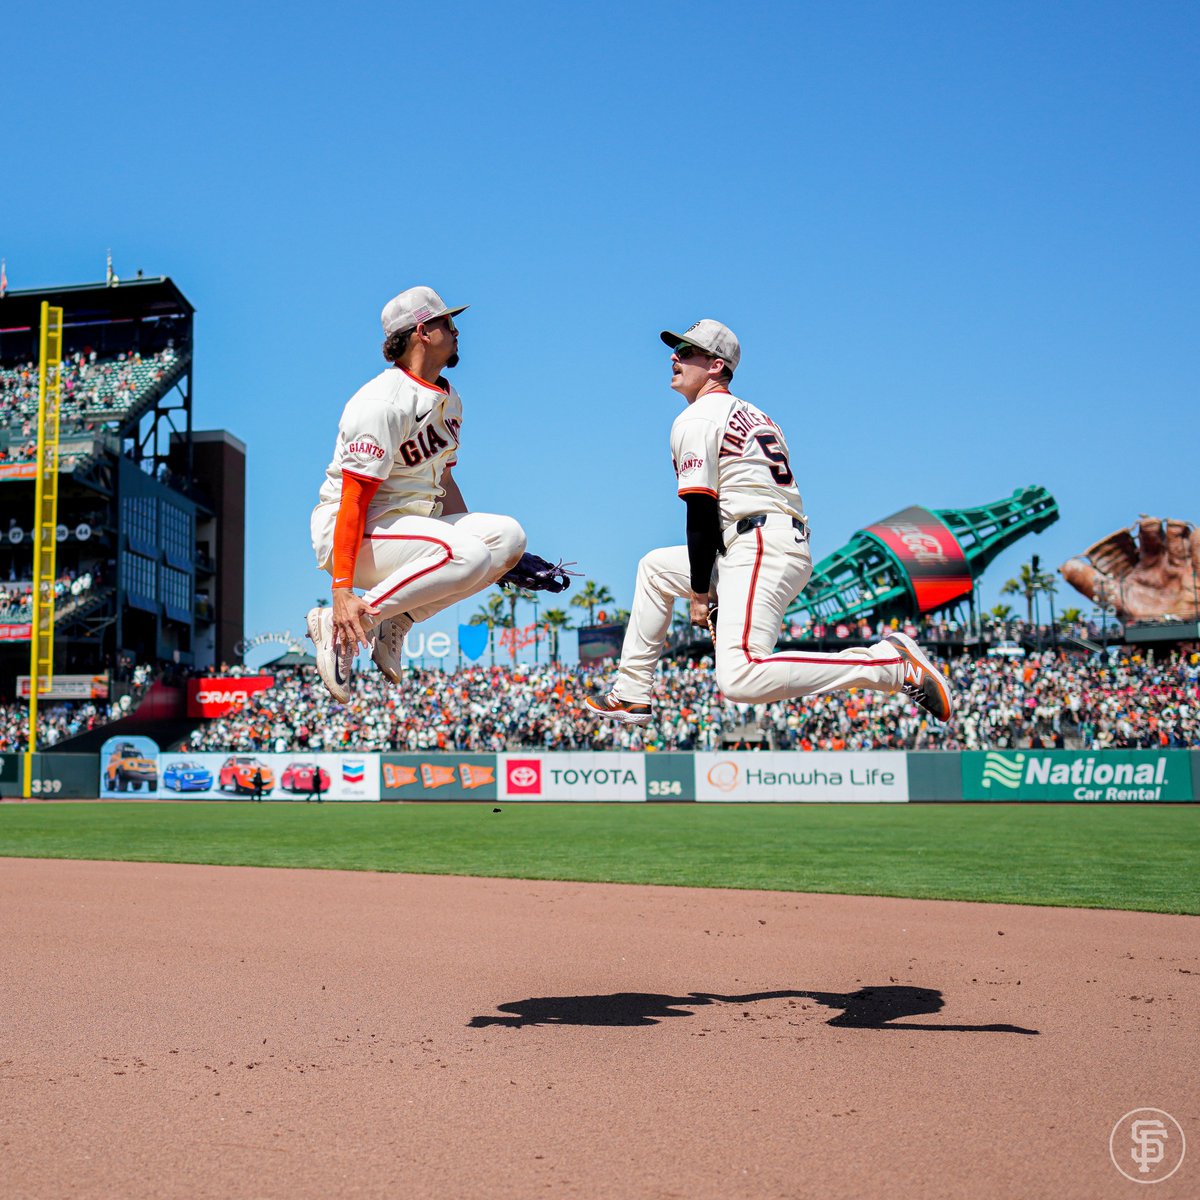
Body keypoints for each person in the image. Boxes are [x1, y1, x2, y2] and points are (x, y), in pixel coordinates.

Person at [586, 319, 953, 726]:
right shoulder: (758, 415)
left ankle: (888, 665)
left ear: (717, 365)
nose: (675, 357)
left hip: (757, 543)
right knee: (655, 569)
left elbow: (700, 509)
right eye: (676, 350)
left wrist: (700, 594)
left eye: (687, 351)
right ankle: (632, 692)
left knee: (740, 677)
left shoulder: (698, 418)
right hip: (763, 541)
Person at [307, 286, 527, 702]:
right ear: (422, 332)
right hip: (352, 531)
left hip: (404, 528)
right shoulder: (383, 401)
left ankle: (396, 618)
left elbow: (445, 481)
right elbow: (354, 498)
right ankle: (340, 626)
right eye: (447, 322)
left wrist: (499, 562)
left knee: (508, 539)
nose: (456, 330)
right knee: (468, 555)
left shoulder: (450, 398)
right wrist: (341, 590)